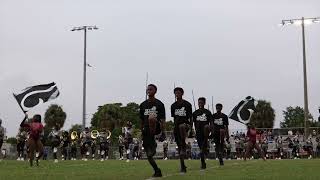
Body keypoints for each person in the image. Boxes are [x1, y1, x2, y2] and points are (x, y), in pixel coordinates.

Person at [139, 84, 166, 177]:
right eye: (147, 89)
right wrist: (141, 131)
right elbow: (141, 120)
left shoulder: (159, 104)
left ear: (155, 91)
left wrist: (163, 132)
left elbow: (162, 120)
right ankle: (157, 170)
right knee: (149, 155)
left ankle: (154, 143)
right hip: (146, 129)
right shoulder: (143, 105)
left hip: (156, 127)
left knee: (151, 117)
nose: (148, 91)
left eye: (151, 89)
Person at [171, 87, 192, 173]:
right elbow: (174, 118)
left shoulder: (187, 104)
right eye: (175, 93)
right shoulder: (173, 105)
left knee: (182, 126)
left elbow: (191, 117)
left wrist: (191, 127)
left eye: (178, 92)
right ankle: (183, 166)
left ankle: (184, 144)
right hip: (177, 127)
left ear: (182, 93)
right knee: (180, 149)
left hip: (185, 125)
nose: (177, 94)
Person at [192, 97, 213, 169]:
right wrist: (193, 131)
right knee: (201, 148)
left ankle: (206, 147)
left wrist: (211, 131)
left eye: (201, 102)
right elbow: (193, 123)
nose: (200, 104)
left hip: (206, 131)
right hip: (198, 132)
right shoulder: (195, 113)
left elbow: (211, 123)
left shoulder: (208, 112)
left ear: (204, 103)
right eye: (199, 102)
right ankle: (203, 163)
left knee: (202, 148)